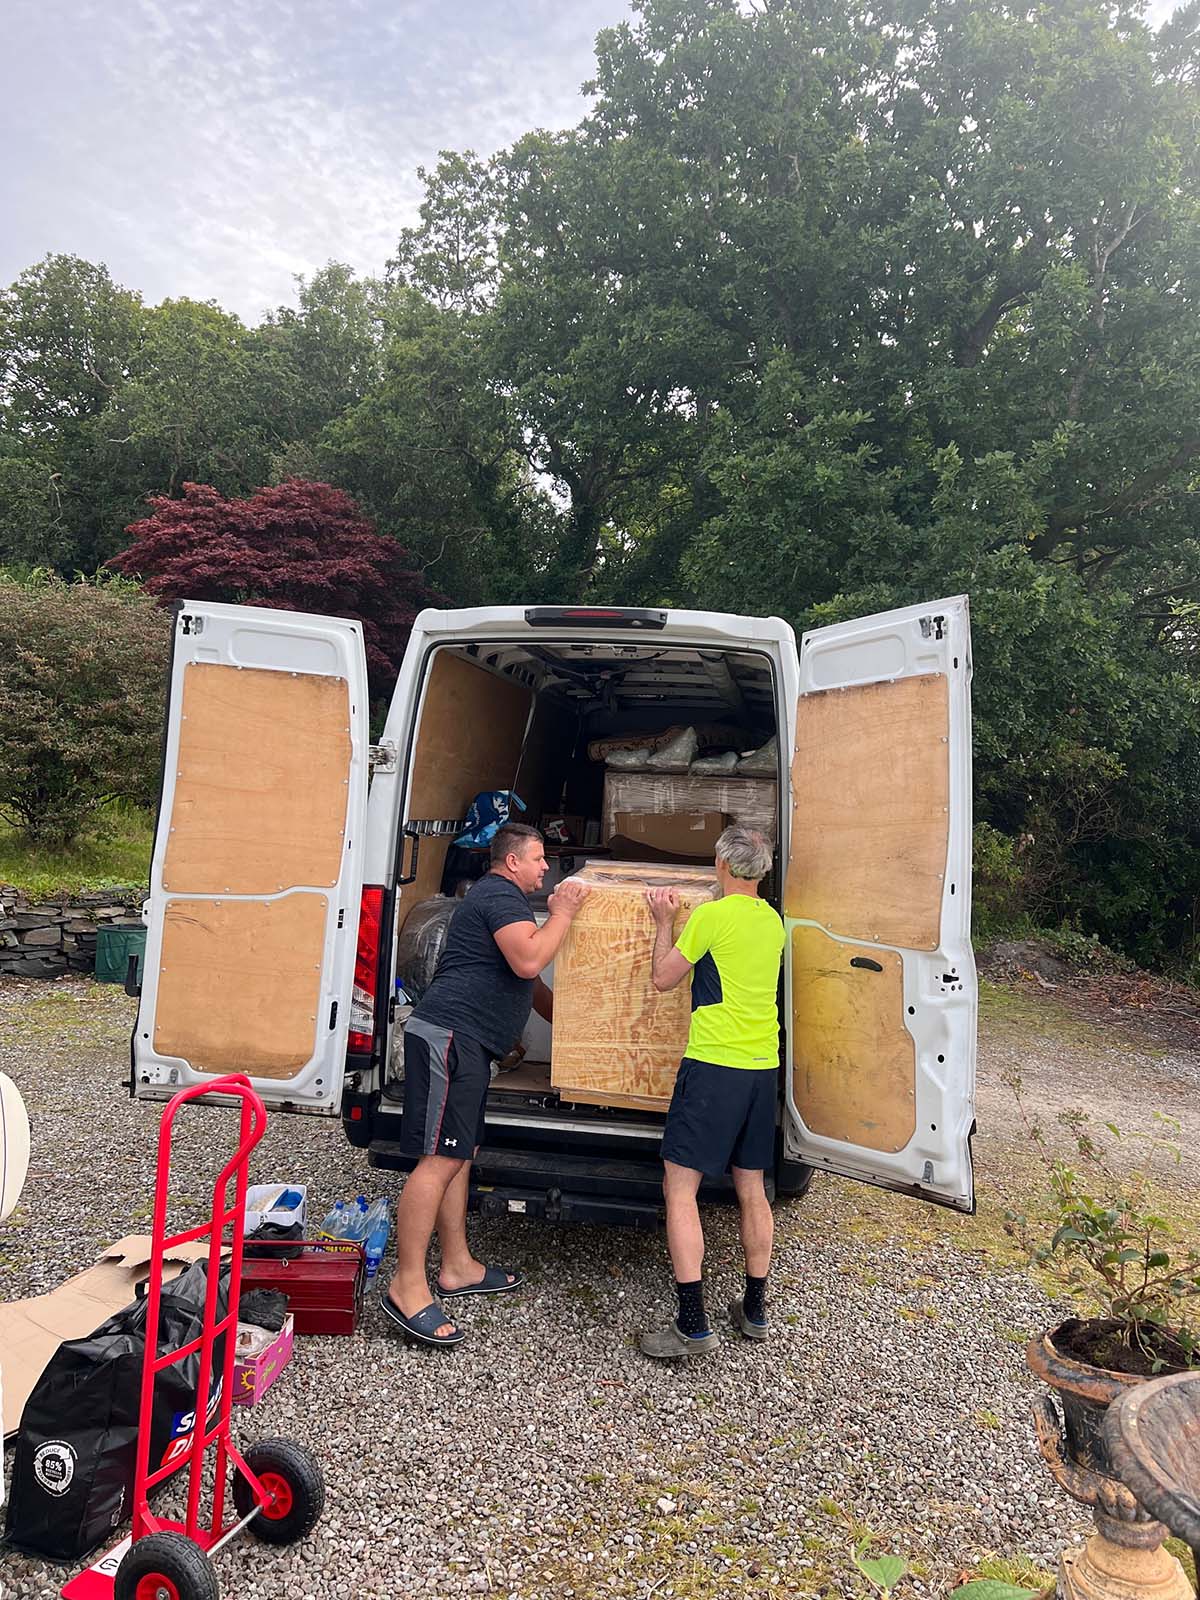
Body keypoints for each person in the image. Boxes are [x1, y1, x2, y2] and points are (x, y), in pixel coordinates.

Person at [382, 823, 589, 1348]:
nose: (546, 868)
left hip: (467, 1042)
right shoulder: (499, 894)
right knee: (439, 1158)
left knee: (461, 1153)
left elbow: (531, 983)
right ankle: (407, 1286)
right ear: (512, 861)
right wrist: (562, 911)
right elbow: (529, 958)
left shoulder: (501, 901)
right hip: (451, 1036)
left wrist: (585, 1035)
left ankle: (457, 1267)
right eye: (540, 858)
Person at [639, 824, 785, 1359]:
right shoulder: (773, 923)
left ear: (722, 866)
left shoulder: (710, 916)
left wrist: (664, 922)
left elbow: (662, 978)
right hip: (761, 1066)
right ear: (762, 871)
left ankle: (692, 1324)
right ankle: (754, 1310)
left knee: (680, 1189)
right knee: (752, 1187)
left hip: (714, 1066)